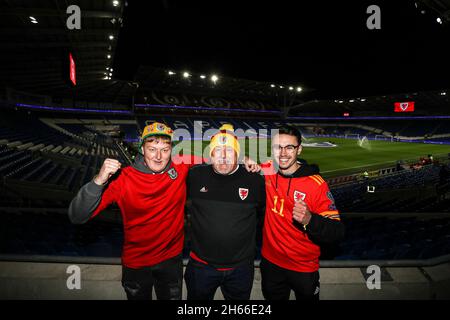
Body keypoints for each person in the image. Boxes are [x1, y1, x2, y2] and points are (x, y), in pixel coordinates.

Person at [68, 122, 202, 300]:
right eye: (152, 149)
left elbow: (217, 159)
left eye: (165, 149)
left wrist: (245, 162)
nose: (159, 156)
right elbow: (77, 216)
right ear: (142, 149)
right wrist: (99, 180)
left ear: (171, 150)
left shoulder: (180, 166)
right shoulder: (123, 179)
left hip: (171, 260)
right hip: (136, 264)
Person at [260, 125, 345, 300]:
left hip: (303, 268)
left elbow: (337, 231)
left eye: (289, 147)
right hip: (270, 263)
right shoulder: (267, 169)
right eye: (278, 147)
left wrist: (310, 219)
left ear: (299, 149)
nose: (283, 153)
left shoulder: (316, 184)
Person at [184, 124, 266, 300]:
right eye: (217, 151)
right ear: (210, 155)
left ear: (238, 155)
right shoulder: (195, 176)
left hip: (241, 269)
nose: (222, 157)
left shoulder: (254, 180)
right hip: (200, 267)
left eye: (228, 151)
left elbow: (265, 215)